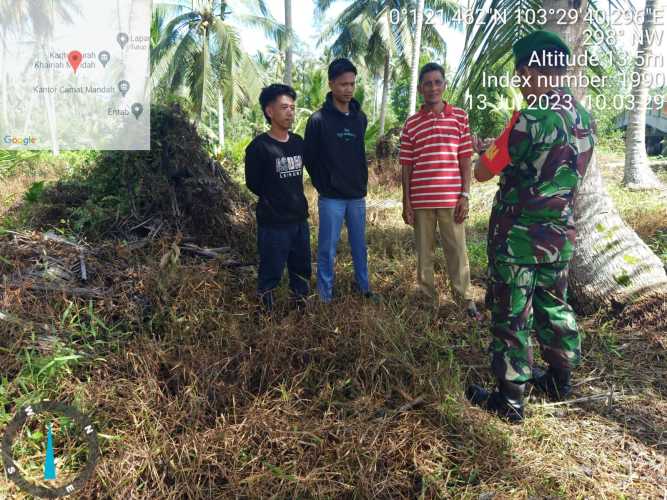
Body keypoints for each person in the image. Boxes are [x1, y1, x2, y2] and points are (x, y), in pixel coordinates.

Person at [466, 31, 597, 422]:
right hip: (559, 237)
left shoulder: (527, 119)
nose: (521, 84)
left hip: (518, 240)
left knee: (511, 316)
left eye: (521, 75)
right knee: (554, 305)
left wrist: (488, 150)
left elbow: (483, 171)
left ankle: (510, 400)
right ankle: (559, 378)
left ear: (530, 70)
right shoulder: (584, 119)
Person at [399, 62, 481, 319]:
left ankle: (466, 300)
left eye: (437, 82)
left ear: (444, 85)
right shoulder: (411, 124)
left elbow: (466, 158)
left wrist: (465, 195)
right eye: (428, 83)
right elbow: (406, 166)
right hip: (421, 201)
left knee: (457, 252)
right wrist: (406, 202)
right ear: (421, 88)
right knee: (424, 254)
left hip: (451, 199)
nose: (433, 87)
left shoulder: (459, 117)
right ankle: (427, 302)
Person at [304, 58, 379, 304]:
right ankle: (325, 295)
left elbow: (358, 153)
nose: (348, 89)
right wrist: (324, 185)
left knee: (360, 246)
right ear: (331, 84)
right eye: (343, 84)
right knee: (327, 249)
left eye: (352, 84)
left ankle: (364, 288)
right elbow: (310, 158)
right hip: (331, 198)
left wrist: (361, 182)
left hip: (356, 195)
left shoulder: (360, 118)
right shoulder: (318, 120)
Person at [244, 84, 311, 311]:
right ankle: (266, 313)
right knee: (270, 272)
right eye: (284, 107)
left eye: (292, 107)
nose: (290, 112)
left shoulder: (298, 143)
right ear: (269, 111)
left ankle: (300, 308)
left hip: (299, 219)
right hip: (273, 223)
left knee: (301, 270)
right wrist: (274, 199)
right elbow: (253, 183)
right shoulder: (258, 147)